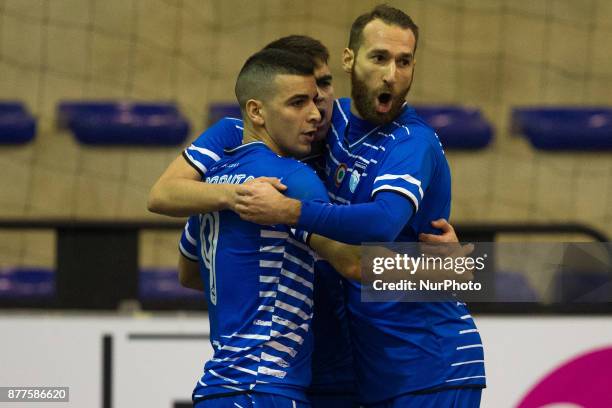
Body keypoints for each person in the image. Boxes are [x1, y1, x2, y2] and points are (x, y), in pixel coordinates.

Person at [224, 6, 486, 407]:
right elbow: (168, 189)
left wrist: (286, 211)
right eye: (379, 57)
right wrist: (224, 195)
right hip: (376, 369)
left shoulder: (411, 143)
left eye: (404, 61)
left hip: (432, 365)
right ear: (349, 59)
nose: (392, 75)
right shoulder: (328, 121)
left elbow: (383, 223)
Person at [178, 48, 361, 408]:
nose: (314, 114)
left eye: (313, 100)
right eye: (297, 103)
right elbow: (354, 264)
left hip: (215, 390)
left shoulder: (210, 189)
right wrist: (451, 269)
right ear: (256, 111)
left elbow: (188, 273)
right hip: (266, 389)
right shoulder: (293, 179)